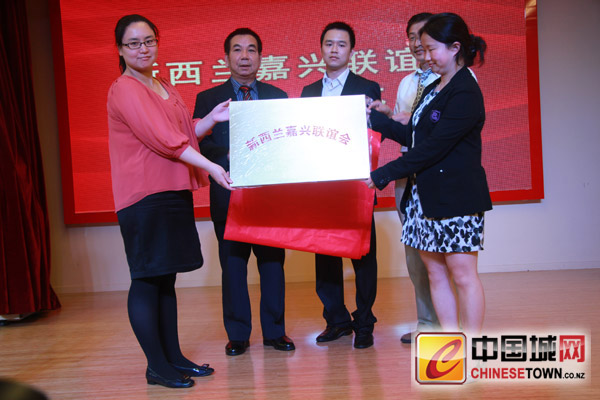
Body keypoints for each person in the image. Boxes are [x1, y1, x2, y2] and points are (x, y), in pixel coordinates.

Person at [108, 14, 233, 388]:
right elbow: (165, 141)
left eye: (149, 40)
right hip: (144, 196)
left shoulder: (162, 84)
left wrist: (210, 119)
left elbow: (181, 134)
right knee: (147, 278)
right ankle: (157, 367)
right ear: (120, 49)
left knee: (165, 278)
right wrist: (212, 166)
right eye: (134, 43)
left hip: (170, 191)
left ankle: (173, 358)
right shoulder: (125, 89)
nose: (143, 48)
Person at [367, 13, 491, 336]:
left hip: (456, 198)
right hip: (424, 197)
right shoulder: (435, 87)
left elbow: (435, 147)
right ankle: (450, 342)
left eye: (432, 48)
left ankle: (473, 343)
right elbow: (415, 137)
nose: (426, 56)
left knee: (463, 275)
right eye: (422, 48)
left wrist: (384, 174)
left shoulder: (465, 91)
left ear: (455, 47)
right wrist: (376, 120)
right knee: (435, 275)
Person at [193, 28, 294, 356]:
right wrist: (230, 155)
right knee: (233, 267)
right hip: (228, 193)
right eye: (237, 50)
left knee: (272, 265)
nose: (245, 56)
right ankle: (238, 335)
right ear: (226, 57)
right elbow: (199, 144)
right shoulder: (208, 99)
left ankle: (275, 332)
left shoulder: (277, 96)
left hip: (269, 197)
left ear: (261, 57)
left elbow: (287, 142)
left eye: (251, 49)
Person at [301, 22, 380, 349]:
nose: (334, 50)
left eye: (341, 44)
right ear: (321, 48)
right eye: (329, 44)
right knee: (325, 257)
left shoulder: (367, 87)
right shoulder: (308, 92)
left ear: (352, 51)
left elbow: (375, 133)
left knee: (363, 257)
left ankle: (364, 322)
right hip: (320, 188)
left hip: (356, 186)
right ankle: (336, 320)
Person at [370, 13, 441, 344]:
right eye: (411, 37)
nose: (416, 43)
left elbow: (434, 131)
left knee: (444, 256)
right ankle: (427, 323)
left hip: (438, 174)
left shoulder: (454, 80)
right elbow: (408, 133)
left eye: (422, 35)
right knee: (415, 254)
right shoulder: (407, 83)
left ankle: (451, 324)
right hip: (407, 175)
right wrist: (386, 118)